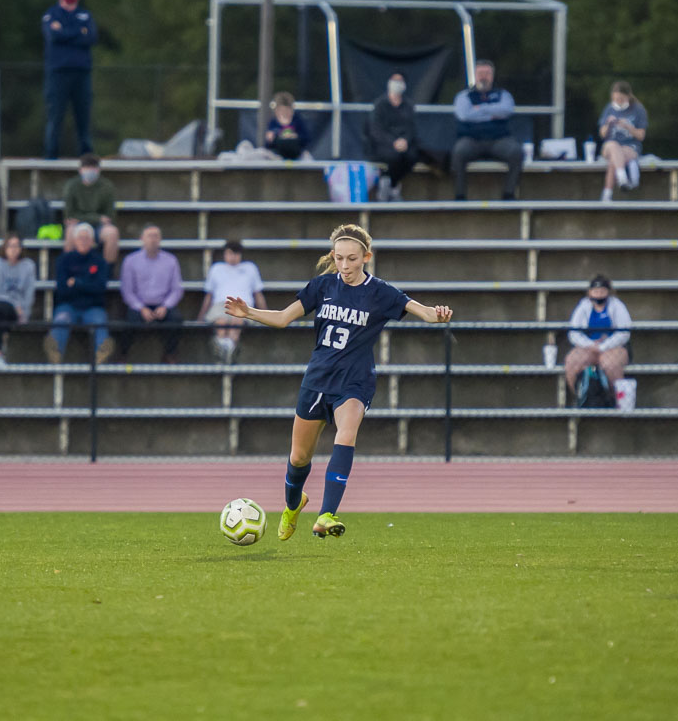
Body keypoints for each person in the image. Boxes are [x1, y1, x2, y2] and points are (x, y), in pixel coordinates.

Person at [225, 224, 453, 541]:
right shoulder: (322, 286)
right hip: (318, 379)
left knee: (346, 435)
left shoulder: (379, 292)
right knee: (298, 458)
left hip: (355, 382)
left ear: (366, 257)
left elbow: (422, 311)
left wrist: (437, 314)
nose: (345, 266)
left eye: (352, 259)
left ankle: (326, 514)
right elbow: (281, 318)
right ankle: (293, 505)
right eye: (340, 258)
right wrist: (246, 311)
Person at [450, 60, 523, 201]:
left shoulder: (503, 94)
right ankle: (460, 196)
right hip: (472, 140)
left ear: (493, 76)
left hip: (499, 140)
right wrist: (492, 112)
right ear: (474, 75)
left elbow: (507, 110)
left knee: (516, 152)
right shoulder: (464, 96)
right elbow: (464, 115)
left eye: (487, 73)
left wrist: (479, 109)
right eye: (480, 73)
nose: (484, 77)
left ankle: (508, 194)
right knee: (458, 152)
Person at [42, 0, 98, 160]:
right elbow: (54, 36)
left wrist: (65, 32)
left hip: (81, 73)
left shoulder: (85, 16)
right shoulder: (51, 14)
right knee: (55, 116)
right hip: (58, 73)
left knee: (83, 117)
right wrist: (77, 32)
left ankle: (87, 157)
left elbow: (90, 38)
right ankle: (51, 156)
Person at [45, 222, 113, 365]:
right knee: (61, 321)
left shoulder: (99, 262)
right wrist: (87, 285)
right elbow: (62, 288)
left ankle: (100, 357)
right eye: (80, 238)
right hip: (68, 306)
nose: (83, 241)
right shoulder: (64, 260)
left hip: (93, 307)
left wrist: (76, 283)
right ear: (75, 240)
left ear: (92, 241)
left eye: (87, 238)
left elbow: (100, 288)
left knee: (100, 322)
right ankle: (55, 354)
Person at [119, 224, 184, 364]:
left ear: (160, 239)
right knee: (128, 322)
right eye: (149, 236)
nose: (153, 239)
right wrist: (141, 308)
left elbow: (176, 289)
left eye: (156, 236)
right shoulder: (130, 261)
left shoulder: (170, 260)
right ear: (142, 238)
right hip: (139, 305)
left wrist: (165, 306)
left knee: (176, 320)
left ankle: (169, 354)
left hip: (163, 304)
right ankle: (123, 354)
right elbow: (127, 291)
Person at [197, 240, 265, 364]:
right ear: (224, 254)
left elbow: (258, 294)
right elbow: (209, 296)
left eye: (236, 254)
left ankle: (225, 353)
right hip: (221, 305)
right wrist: (201, 316)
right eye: (229, 254)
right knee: (221, 322)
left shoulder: (250, 268)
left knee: (236, 322)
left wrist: (265, 314)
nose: (233, 257)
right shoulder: (216, 269)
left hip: (242, 305)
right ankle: (226, 352)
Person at [564, 275, 632, 399]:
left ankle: (613, 399)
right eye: (595, 292)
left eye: (602, 291)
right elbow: (574, 332)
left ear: (608, 292)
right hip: (589, 347)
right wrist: (590, 345)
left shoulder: (617, 305)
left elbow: (624, 332)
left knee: (609, 364)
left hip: (613, 347)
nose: (599, 295)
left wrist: (603, 346)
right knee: (572, 361)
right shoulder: (583, 306)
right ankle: (579, 397)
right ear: (590, 293)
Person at [0, 233, 37, 366]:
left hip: (13, 310)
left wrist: (24, 315)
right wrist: (15, 304)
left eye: (16, 246)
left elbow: (29, 293)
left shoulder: (28, 266)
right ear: (4, 248)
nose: (13, 249)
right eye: (10, 246)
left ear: (21, 248)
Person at [366, 73, 419, 201]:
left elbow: (412, 128)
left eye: (400, 81)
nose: (397, 84)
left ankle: (391, 183)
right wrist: (392, 142)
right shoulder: (380, 105)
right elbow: (376, 130)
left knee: (412, 157)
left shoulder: (408, 105)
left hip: (404, 144)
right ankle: (388, 185)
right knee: (393, 157)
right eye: (394, 80)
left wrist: (405, 140)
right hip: (384, 145)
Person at [62, 154, 119, 264]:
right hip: (79, 225)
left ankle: (106, 271)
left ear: (98, 170)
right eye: (86, 168)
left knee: (112, 232)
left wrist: (86, 218)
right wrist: (97, 218)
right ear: (80, 170)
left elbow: (109, 217)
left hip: (99, 228)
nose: (90, 171)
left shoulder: (107, 187)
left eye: (93, 168)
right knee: (70, 231)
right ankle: (68, 269)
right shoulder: (72, 186)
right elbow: (69, 216)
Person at [598, 80, 648, 202]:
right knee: (613, 146)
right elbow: (602, 134)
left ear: (628, 96)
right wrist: (608, 124)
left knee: (614, 160)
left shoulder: (638, 109)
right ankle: (622, 178)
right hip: (610, 146)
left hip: (630, 147)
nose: (618, 102)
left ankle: (607, 195)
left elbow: (641, 136)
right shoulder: (609, 108)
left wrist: (628, 127)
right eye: (616, 99)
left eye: (621, 99)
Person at [264, 92, 311, 160]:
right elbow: (268, 145)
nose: (284, 113)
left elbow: (307, 139)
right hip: (277, 156)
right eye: (281, 111)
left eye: (287, 110)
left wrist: (295, 136)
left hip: (297, 156)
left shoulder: (297, 121)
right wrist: (272, 138)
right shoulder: (273, 123)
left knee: (307, 156)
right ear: (276, 111)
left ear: (292, 110)